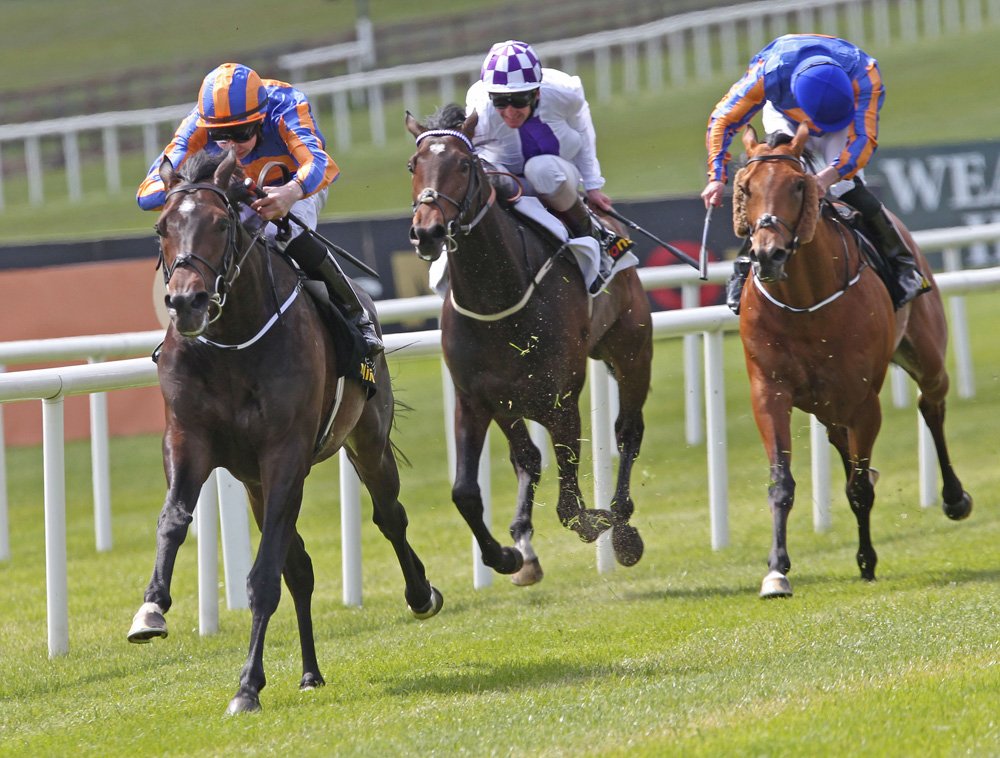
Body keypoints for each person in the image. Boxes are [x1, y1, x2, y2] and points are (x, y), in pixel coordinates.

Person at [137, 62, 383, 357]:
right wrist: (197, 191)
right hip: (232, 188)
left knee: (281, 233)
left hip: (295, 182)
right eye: (220, 136)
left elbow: (320, 163)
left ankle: (355, 315)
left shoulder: (286, 106)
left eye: (241, 133)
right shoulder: (197, 125)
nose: (232, 145)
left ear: (261, 119)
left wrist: (291, 192)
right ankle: (193, 322)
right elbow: (147, 193)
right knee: (210, 234)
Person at [701, 33, 930, 314]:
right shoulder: (766, 74)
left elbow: (863, 141)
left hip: (844, 122)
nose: (818, 130)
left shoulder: (865, 74)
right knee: (776, 184)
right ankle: (744, 267)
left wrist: (828, 177)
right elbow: (722, 120)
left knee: (846, 186)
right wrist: (716, 177)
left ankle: (902, 265)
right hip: (787, 116)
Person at [465, 40, 632, 288]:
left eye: (519, 100)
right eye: (500, 101)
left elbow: (582, 129)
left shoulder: (564, 92)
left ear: (537, 93)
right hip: (511, 182)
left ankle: (594, 237)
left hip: (558, 173)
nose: (509, 111)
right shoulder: (480, 107)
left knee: (540, 169)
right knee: (489, 176)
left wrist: (593, 185)